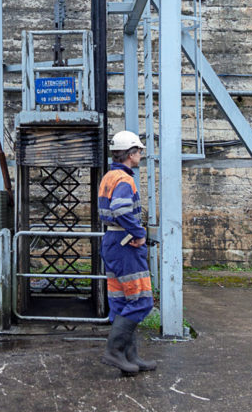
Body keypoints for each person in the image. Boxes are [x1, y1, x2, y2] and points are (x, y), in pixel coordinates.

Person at [98, 130, 156, 375]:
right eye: (139, 151)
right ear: (130, 154)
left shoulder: (109, 176)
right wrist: (139, 233)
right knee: (141, 300)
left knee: (122, 301)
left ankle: (130, 357)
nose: (141, 154)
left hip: (112, 240)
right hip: (125, 242)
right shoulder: (124, 179)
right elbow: (121, 210)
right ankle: (114, 352)